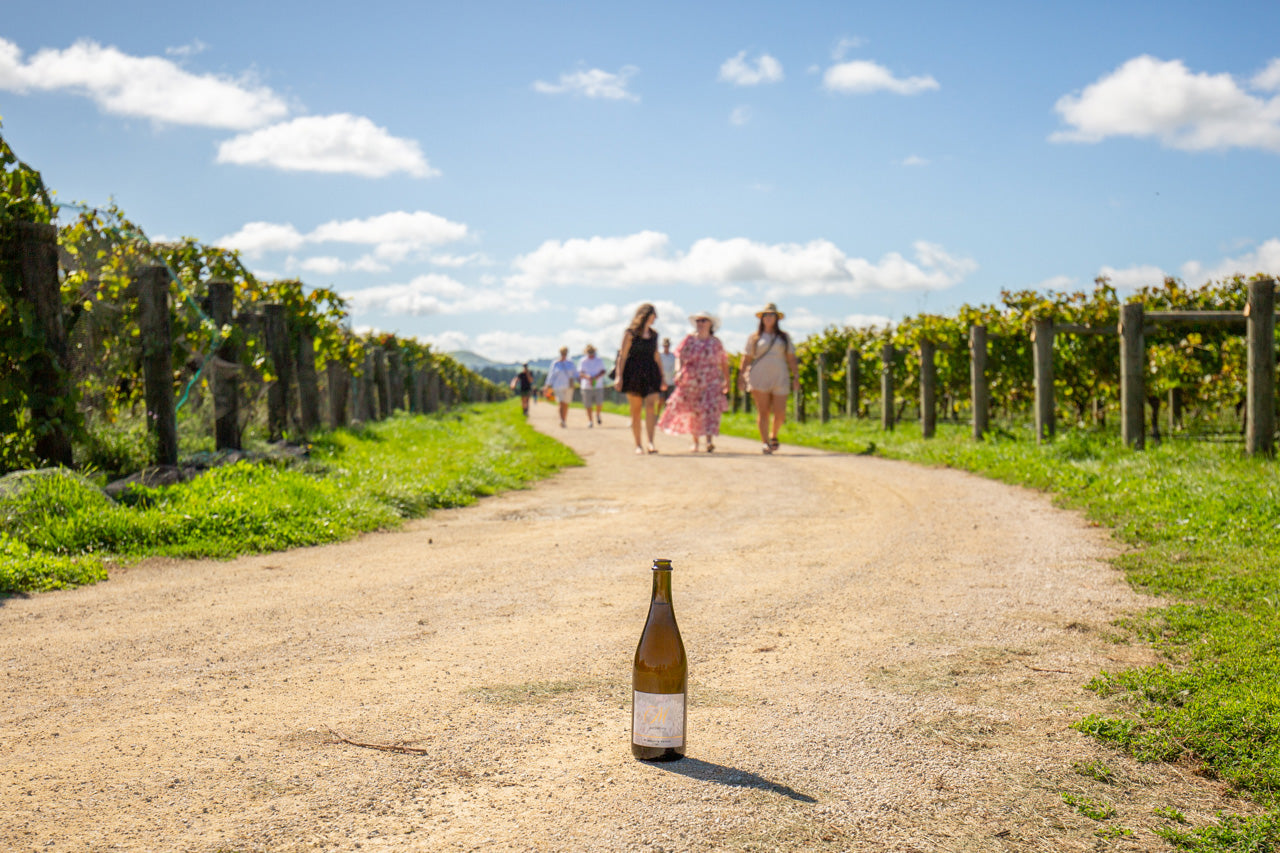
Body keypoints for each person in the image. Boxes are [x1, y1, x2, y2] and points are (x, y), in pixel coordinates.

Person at [658, 311, 730, 452]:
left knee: (711, 409)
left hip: (711, 378)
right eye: (698, 321)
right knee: (695, 411)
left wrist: (727, 380)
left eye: (704, 320)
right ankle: (695, 441)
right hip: (692, 379)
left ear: (710, 324)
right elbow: (679, 355)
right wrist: (678, 371)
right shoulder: (689, 339)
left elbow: (723, 361)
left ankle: (709, 440)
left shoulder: (716, 342)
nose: (700, 323)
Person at [739, 302, 798, 454]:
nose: (769, 317)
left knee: (780, 412)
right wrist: (741, 375)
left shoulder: (784, 337)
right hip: (759, 376)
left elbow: (791, 357)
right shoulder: (755, 337)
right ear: (762, 318)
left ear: (777, 318)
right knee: (763, 411)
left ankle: (774, 434)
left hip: (780, 376)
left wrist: (796, 376)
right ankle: (765, 442)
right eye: (766, 315)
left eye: (772, 315)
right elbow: (746, 357)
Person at [613, 303, 666, 454]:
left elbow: (656, 355)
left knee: (651, 407)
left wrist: (662, 377)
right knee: (635, 411)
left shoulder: (654, 335)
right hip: (633, 373)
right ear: (646, 315)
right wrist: (619, 376)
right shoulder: (630, 333)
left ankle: (650, 442)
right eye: (653, 316)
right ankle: (638, 444)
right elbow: (622, 356)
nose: (655, 319)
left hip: (651, 372)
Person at [544, 346, 577, 428]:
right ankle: (561, 420)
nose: (563, 355)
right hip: (558, 386)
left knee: (566, 403)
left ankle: (564, 420)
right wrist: (547, 385)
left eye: (565, 353)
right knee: (561, 402)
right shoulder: (555, 363)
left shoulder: (570, 363)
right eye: (562, 353)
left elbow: (575, 374)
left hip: (568, 386)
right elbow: (551, 375)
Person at [578, 344, 607, 427]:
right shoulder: (583, 361)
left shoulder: (599, 360)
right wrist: (588, 377)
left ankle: (598, 414)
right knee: (588, 404)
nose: (590, 354)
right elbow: (580, 372)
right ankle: (590, 420)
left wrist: (596, 377)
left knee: (599, 402)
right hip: (586, 385)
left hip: (598, 385)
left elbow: (603, 371)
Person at [657, 338, 676, 415]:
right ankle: (656, 415)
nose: (666, 347)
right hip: (661, 381)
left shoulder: (673, 356)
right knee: (660, 400)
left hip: (670, 382)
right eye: (665, 346)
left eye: (667, 346)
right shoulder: (660, 356)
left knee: (668, 402)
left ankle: (665, 417)